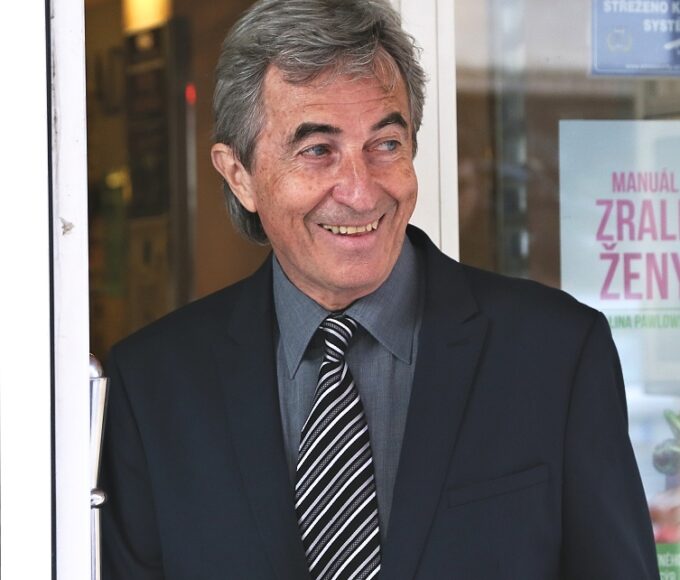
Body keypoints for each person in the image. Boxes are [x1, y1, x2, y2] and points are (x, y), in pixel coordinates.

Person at [101, 0, 660, 578]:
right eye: (318, 151)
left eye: (385, 144)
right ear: (239, 174)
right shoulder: (154, 387)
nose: (361, 191)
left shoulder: (555, 353)